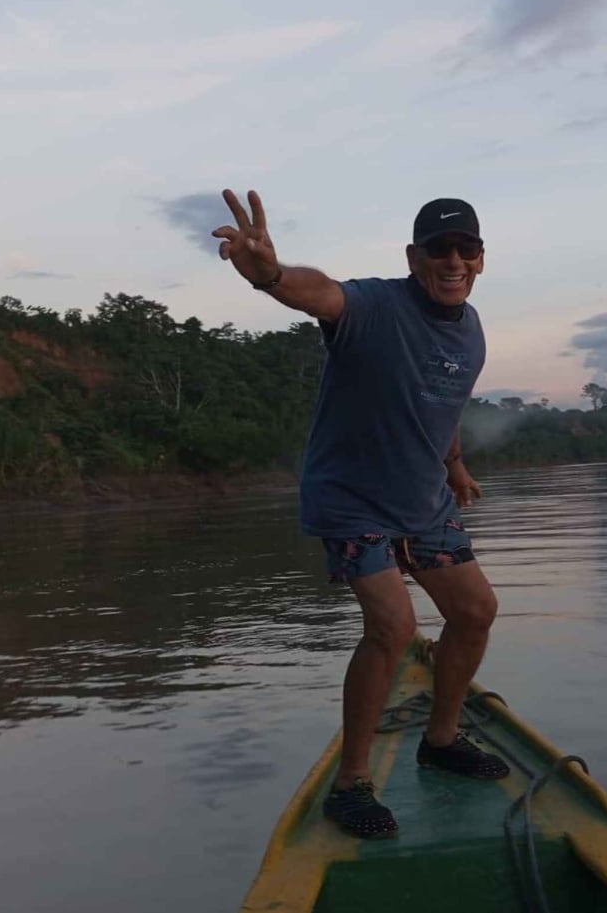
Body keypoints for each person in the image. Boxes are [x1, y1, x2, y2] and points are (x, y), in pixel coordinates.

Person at [214, 189, 509, 839]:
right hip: (352, 500)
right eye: (440, 250)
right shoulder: (375, 305)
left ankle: (441, 739)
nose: (454, 260)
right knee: (394, 625)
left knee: (476, 610)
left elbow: (444, 402)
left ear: (481, 259)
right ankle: (351, 782)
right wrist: (268, 273)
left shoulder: (473, 328)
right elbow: (317, 293)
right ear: (414, 256)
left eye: (467, 249)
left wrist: (454, 464)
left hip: (423, 499)